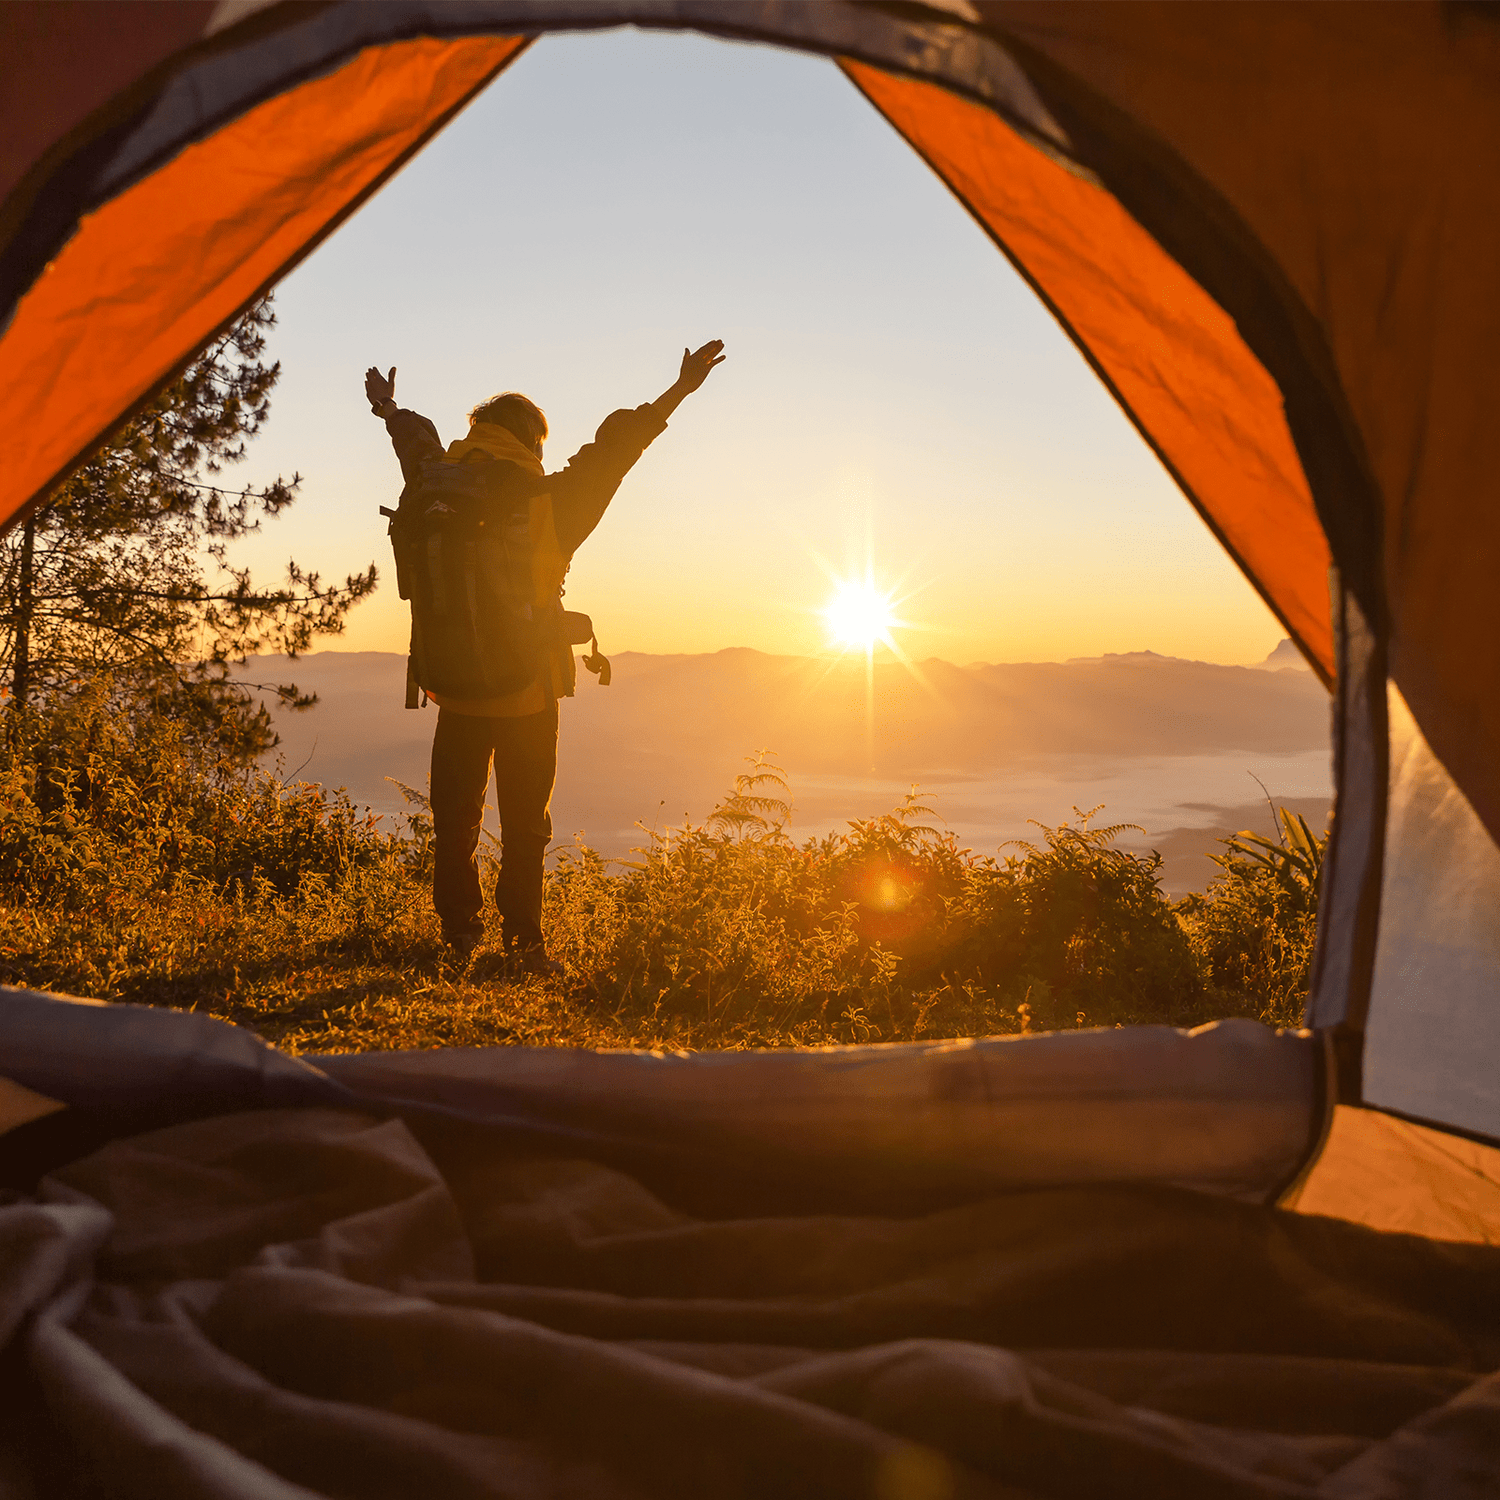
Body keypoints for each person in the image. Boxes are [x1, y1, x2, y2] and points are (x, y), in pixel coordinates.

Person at [364, 340, 726, 971]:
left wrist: (388, 407)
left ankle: (456, 937)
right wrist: (678, 390)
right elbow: (617, 450)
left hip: (450, 684)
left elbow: (414, 441)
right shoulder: (553, 500)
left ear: (477, 432)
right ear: (532, 441)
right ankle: (524, 946)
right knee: (525, 824)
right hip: (528, 688)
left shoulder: (433, 482)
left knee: (455, 817)